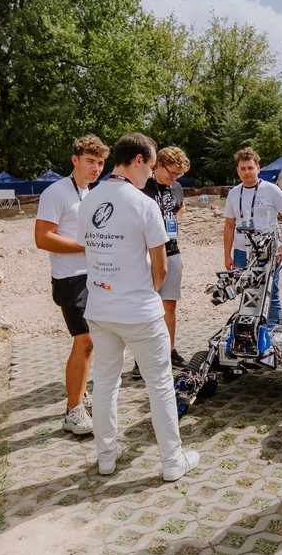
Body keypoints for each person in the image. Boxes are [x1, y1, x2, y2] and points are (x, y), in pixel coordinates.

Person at [80, 133, 200, 482]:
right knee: (159, 384)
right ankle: (172, 460)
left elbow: (89, 250)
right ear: (137, 160)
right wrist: (144, 293)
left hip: (99, 307)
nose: (151, 172)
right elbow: (160, 268)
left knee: (105, 383)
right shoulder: (143, 204)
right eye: (150, 165)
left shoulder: (89, 199)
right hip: (138, 310)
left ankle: (106, 457)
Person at [35, 134, 107, 434]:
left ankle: (79, 392)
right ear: (75, 160)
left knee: (94, 341)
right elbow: (42, 238)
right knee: (85, 340)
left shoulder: (91, 192)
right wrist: (85, 246)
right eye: (90, 161)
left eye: (100, 163)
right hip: (69, 278)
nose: (96, 168)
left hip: (93, 275)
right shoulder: (56, 192)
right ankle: (73, 410)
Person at [224, 148, 282, 323]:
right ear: (238, 170)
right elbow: (229, 225)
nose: (246, 172)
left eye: (250, 168)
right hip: (241, 251)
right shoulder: (234, 193)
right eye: (243, 168)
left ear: (258, 168)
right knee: (246, 293)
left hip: (267, 252)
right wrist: (227, 254)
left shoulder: (271, 190)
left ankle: (272, 331)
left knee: (271, 294)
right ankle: (251, 331)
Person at [141, 146, 190, 368]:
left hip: (172, 250)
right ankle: (143, 358)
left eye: (178, 174)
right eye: (171, 173)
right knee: (146, 306)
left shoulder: (176, 187)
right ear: (158, 165)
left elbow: (179, 209)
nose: (174, 178)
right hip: (147, 254)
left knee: (169, 305)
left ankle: (169, 351)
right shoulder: (142, 185)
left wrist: (176, 219)